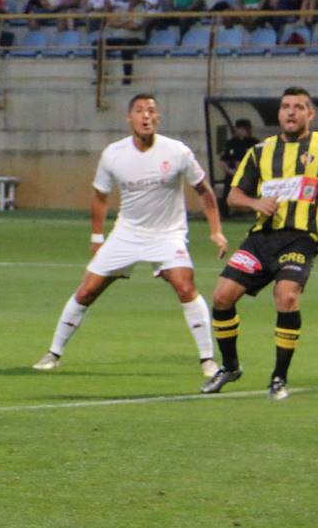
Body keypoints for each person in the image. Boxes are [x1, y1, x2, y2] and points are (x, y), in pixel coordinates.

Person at [33, 93, 225, 375]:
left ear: (158, 118)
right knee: (87, 290)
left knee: (185, 285)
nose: (146, 116)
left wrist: (216, 231)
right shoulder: (113, 154)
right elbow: (100, 197)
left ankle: (207, 359)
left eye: (151, 111)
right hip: (127, 233)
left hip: (167, 234)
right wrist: (96, 238)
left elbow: (204, 190)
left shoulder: (177, 152)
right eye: (139, 111)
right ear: (129, 117)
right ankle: (53, 353)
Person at [202, 87, 318, 401]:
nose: (291, 112)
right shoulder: (260, 151)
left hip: (300, 237)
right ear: (280, 113)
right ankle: (230, 366)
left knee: (286, 297)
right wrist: (256, 203)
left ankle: (278, 378)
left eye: (299, 107)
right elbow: (233, 195)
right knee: (221, 296)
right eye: (286, 106)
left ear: (310, 114)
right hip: (260, 239)